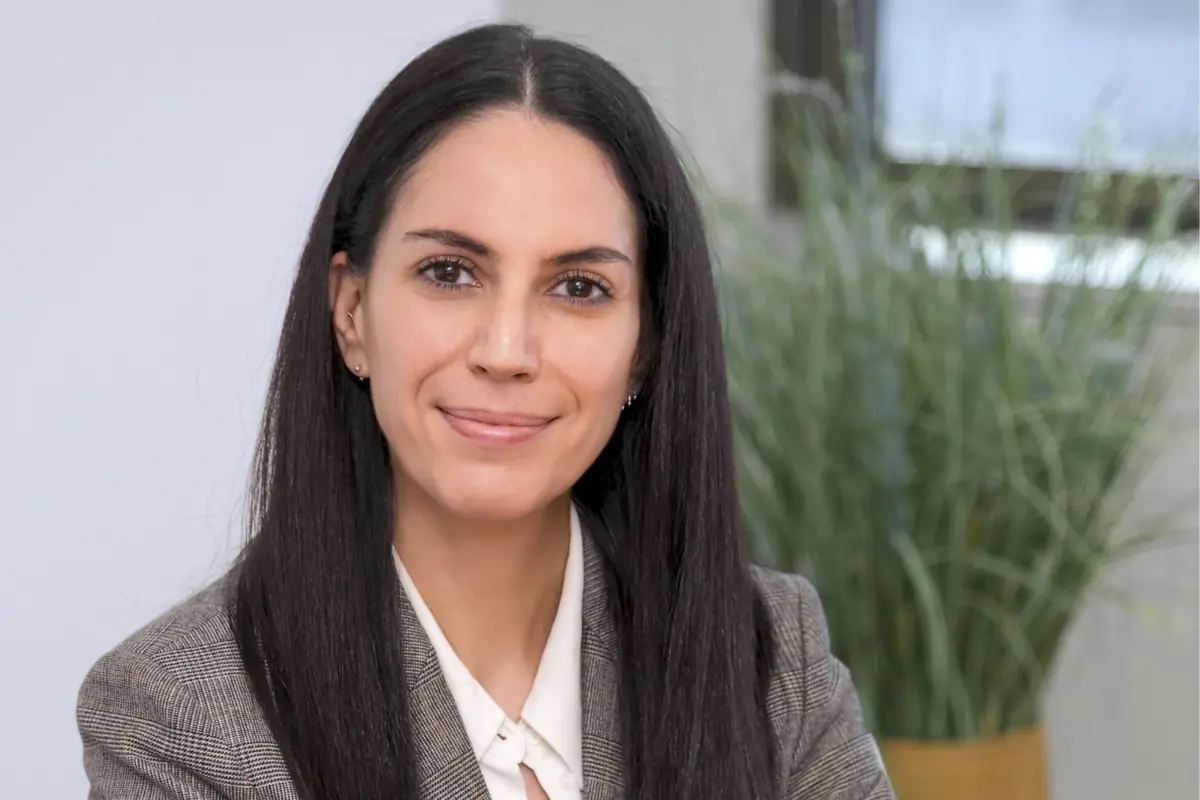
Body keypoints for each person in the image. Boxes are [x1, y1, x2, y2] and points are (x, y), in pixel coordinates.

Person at [76, 22, 892, 800]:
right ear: (352, 313)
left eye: (579, 288)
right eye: (449, 272)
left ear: (646, 346)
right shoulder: (177, 711)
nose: (506, 350)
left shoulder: (772, 659)